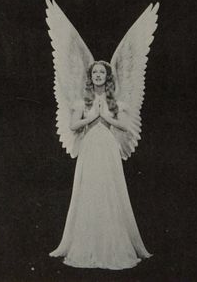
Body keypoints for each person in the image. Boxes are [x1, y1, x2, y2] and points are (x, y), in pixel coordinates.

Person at [49, 61, 152, 270]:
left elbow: (124, 125)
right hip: (89, 147)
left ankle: (110, 245)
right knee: (89, 190)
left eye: (101, 72)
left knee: (108, 190)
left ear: (107, 77)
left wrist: (105, 116)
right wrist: (93, 116)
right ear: (90, 76)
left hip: (107, 147)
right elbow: (72, 125)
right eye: (94, 72)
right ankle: (87, 244)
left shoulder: (115, 101)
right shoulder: (82, 101)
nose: (98, 75)